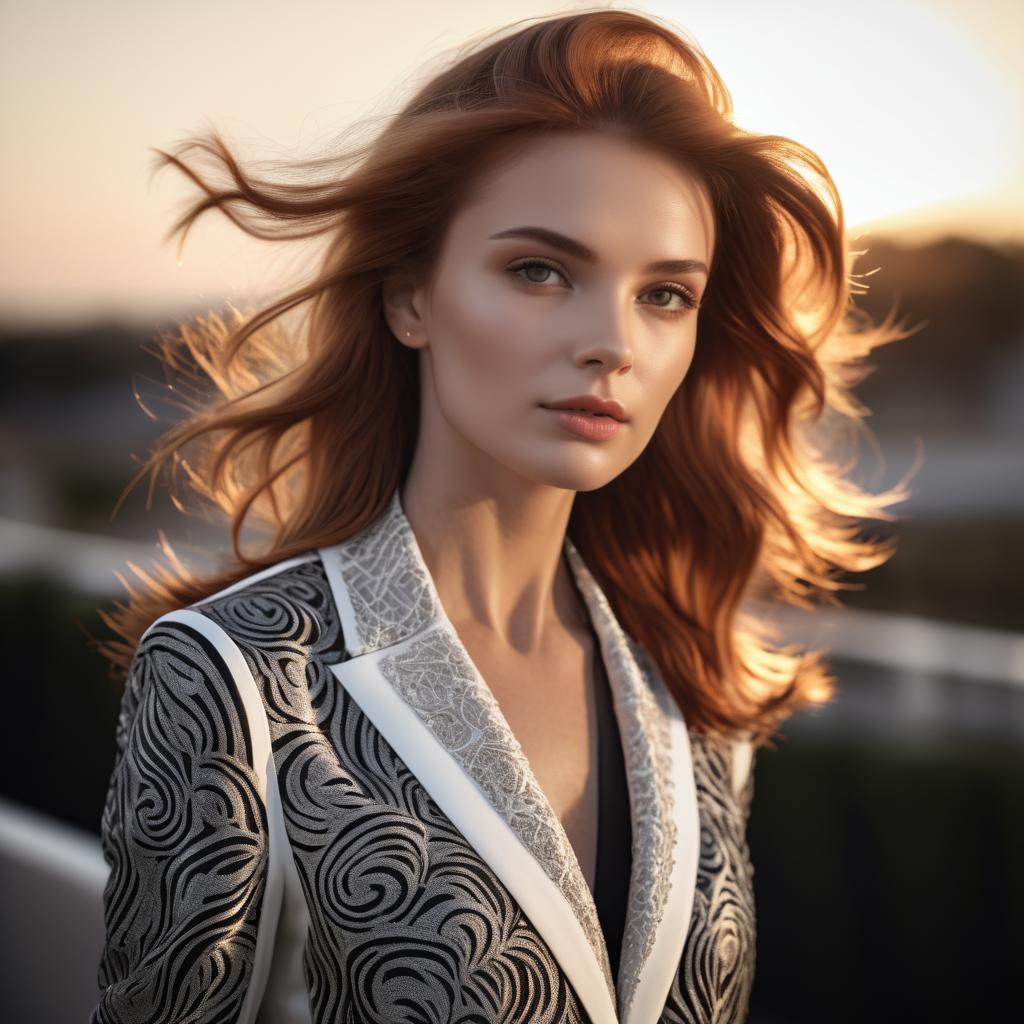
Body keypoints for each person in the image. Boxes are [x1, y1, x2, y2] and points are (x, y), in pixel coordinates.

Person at [89, 8, 910, 1023]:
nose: (611, 341)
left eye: (664, 294)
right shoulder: (237, 674)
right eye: (538, 270)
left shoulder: (693, 679)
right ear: (409, 299)